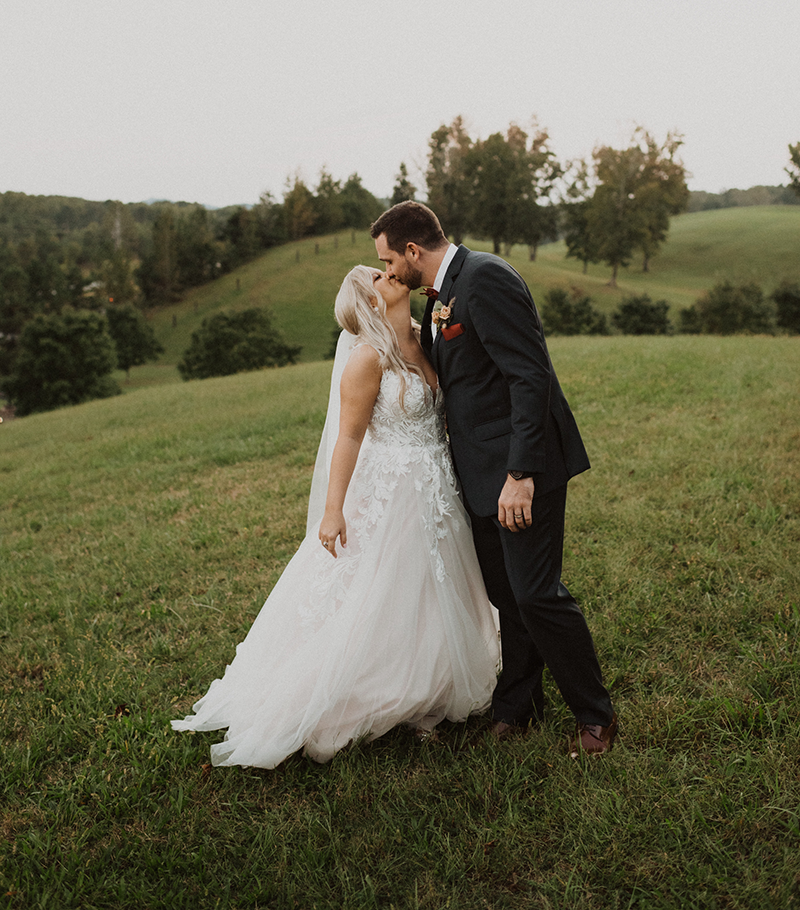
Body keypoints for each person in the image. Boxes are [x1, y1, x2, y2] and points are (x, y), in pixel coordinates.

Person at [171, 265, 500, 768]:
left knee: (438, 585)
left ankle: (436, 682)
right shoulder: (366, 360)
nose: (389, 273)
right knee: (392, 586)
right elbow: (347, 436)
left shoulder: (424, 337)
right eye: (378, 275)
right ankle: (387, 690)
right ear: (370, 300)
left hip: (438, 484)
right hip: (393, 491)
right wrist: (332, 510)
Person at [370, 201, 617, 757]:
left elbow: (530, 377)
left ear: (413, 251)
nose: (387, 271)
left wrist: (521, 473)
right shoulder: (442, 297)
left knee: (535, 593)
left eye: (388, 259)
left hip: (521, 469)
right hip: (477, 474)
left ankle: (596, 714)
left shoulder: (485, 279)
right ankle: (518, 707)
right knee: (506, 596)